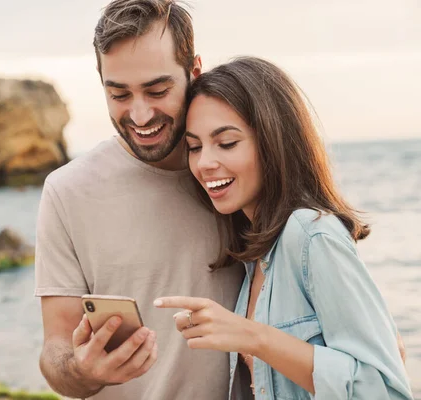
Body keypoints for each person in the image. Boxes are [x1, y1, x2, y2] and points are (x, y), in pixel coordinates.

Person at [153, 56, 414, 399]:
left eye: (227, 143)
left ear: (273, 141)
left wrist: (254, 337)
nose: (205, 163)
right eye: (194, 147)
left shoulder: (310, 235)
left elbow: (383, 390)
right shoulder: (256, 254)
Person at [34, 1, 246, 399]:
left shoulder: (236, 174)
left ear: (194, 72)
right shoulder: (68, 191)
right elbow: (55, 348)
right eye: (119, 94)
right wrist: (82, 370)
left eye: (158, 90)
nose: (140, 114)